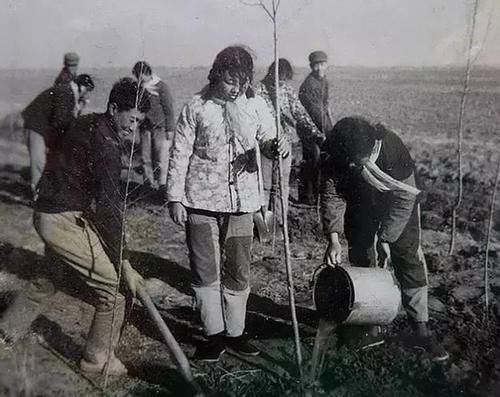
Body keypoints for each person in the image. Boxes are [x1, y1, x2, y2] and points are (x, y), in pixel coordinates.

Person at [0, 78, 149, 375]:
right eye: (131, 119)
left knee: (49, 278)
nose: (133, 128)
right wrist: (125, 263)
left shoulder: (86, 122)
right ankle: (96, 360)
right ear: (114, 108)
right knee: (114, 291)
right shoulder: (108, 148)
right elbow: (109, 210)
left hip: (46, 209)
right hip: (61, 219)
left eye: (139, 122)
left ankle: (5, 332)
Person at [167, 46, 288, 362]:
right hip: (200, 202)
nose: (236, 88)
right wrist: (175, 198)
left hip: (242, 202)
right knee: (205, 270)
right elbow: (179, 153)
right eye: (230, 81)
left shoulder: (256, 106)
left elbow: (269, 138)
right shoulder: (196, 107)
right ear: (216, 74)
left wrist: (277, 146)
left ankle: (236, 332)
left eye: (242, 81)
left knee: (238, 269)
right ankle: (213, 335)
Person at [320, 116, 449, 362]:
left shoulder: (391, 148)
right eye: (350, 163)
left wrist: (387, 238)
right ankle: (370, 324)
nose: (354, 166)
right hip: (361, 204)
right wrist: (333, 239)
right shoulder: (333, 150)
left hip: (400, 203)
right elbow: (331, 195)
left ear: (372, 147)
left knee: (408, 259)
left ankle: (420, 328)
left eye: (359, 161)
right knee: (362, 258)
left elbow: (405, 199)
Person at [255, 58, 324, 224]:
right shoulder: (257, 91)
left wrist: (316, 133)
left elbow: (300, 113)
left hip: (285, 144)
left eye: (284, 80)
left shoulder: (286, 90)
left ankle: (279, 224)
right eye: (279, 79)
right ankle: (264, 226)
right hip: (264, 145)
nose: (280, 83)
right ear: (271, 74)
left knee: (281, 186)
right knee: (264, 186)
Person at [22, 74, 95, 197]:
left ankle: (40, 195)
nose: (88, 95)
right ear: (82, 87)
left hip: (39, 126)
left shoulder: (68, 91)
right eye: (88, 91)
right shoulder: (66, 93)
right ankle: (38, 198)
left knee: (42, 163)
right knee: (39, 164)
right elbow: (61, 120)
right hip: (35, 126)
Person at [132, 61, 175, 198]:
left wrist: (170, 129)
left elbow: (168, 109)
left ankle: (162, 185)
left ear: (146, 73)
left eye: (139, 76)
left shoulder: (161, 86)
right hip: (145, 128)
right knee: (145, 157)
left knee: (161, 157)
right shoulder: (139, 88)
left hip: (160, 128)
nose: (138, 80)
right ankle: (148, 184)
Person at [298, 50, 333, 205]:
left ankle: (317, 193)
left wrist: (330, 126)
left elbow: (325, 105)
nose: (319, 68)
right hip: (308, 128)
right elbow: (313, 111)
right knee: (313, 158)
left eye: (322, 64)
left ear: (326, 65)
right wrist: (323, 131)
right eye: (316, 65)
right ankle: (307, 196)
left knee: (321, 159)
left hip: (321, 126)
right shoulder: (309, 85)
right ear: (311, 67)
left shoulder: (324, 80)